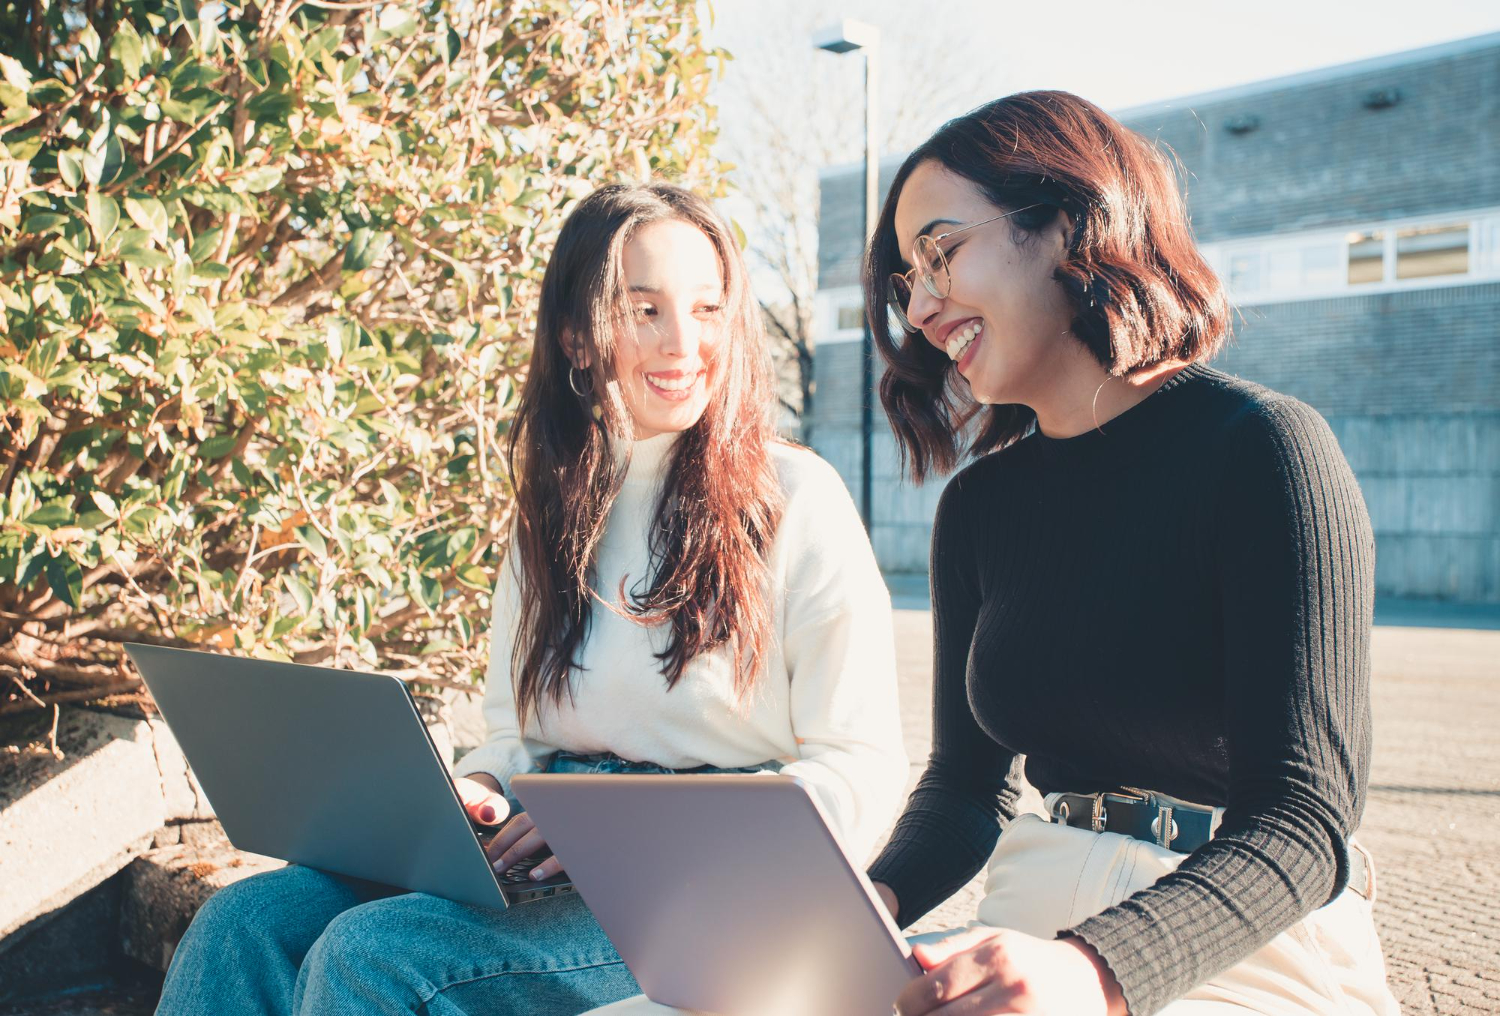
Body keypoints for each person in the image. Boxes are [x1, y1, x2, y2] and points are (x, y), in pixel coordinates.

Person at [583, 92, 1399, 1016]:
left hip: (1252, 955)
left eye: (941, 252)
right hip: (1032, 917)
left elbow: (1304, 820)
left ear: (1064, 225)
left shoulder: (1266, 450)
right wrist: (862, 912)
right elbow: (969, 792)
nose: (922, 306)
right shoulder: (979, 509)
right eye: (906, 279)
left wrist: (1096, 970)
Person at [153, 182, 907, 1016]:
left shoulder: (795, 496)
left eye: (707, 308)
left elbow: (861, 767)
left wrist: (627, 824)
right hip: (546, 846)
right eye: (644, 309)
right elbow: (515, 736)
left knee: (375, 958)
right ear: (577, 337)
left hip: (707, 882)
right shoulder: (553, 508)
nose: (684, 342)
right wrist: (475, 792)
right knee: (242, 921)